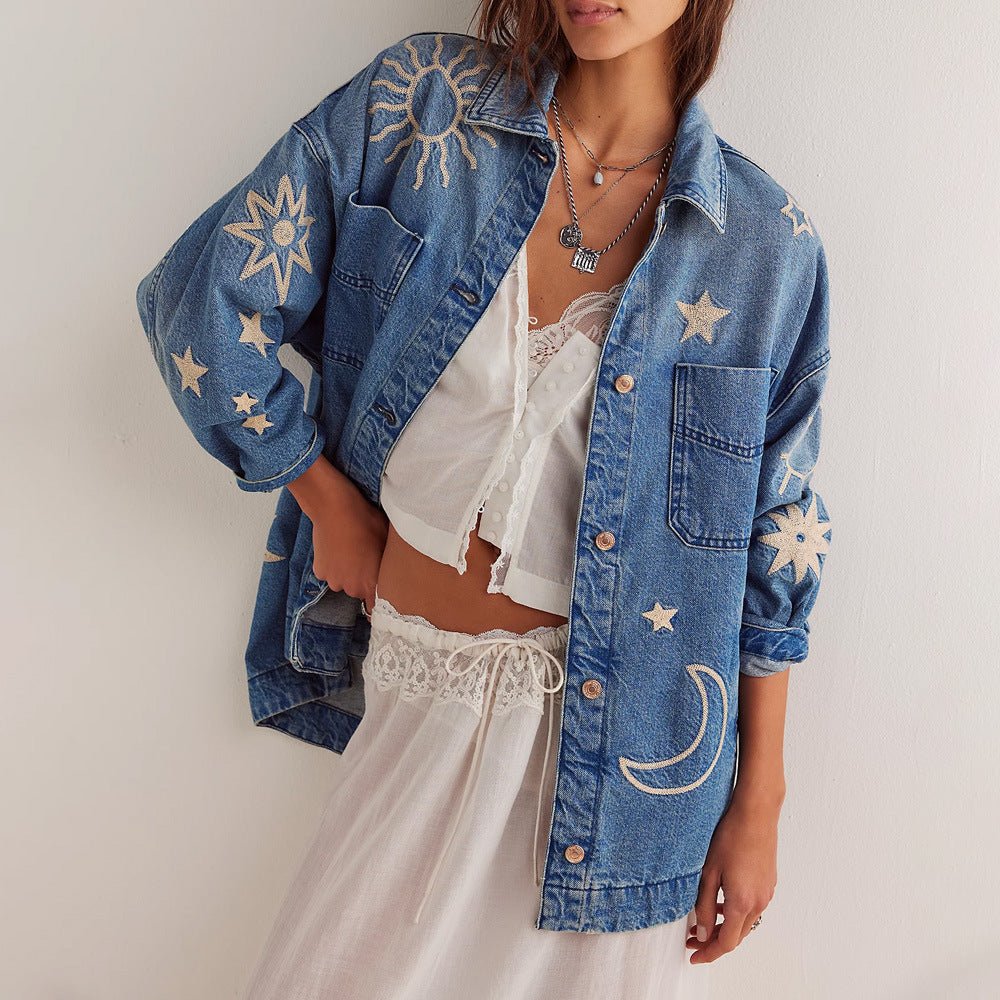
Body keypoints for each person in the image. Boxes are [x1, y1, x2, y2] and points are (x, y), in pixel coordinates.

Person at [135, 1, 833, 996]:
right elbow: (203, 308)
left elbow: (777, 548)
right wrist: (325, 499)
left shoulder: (763, 247)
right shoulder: (421, 107)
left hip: (624, 798)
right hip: (416, 713)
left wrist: (759, 804)